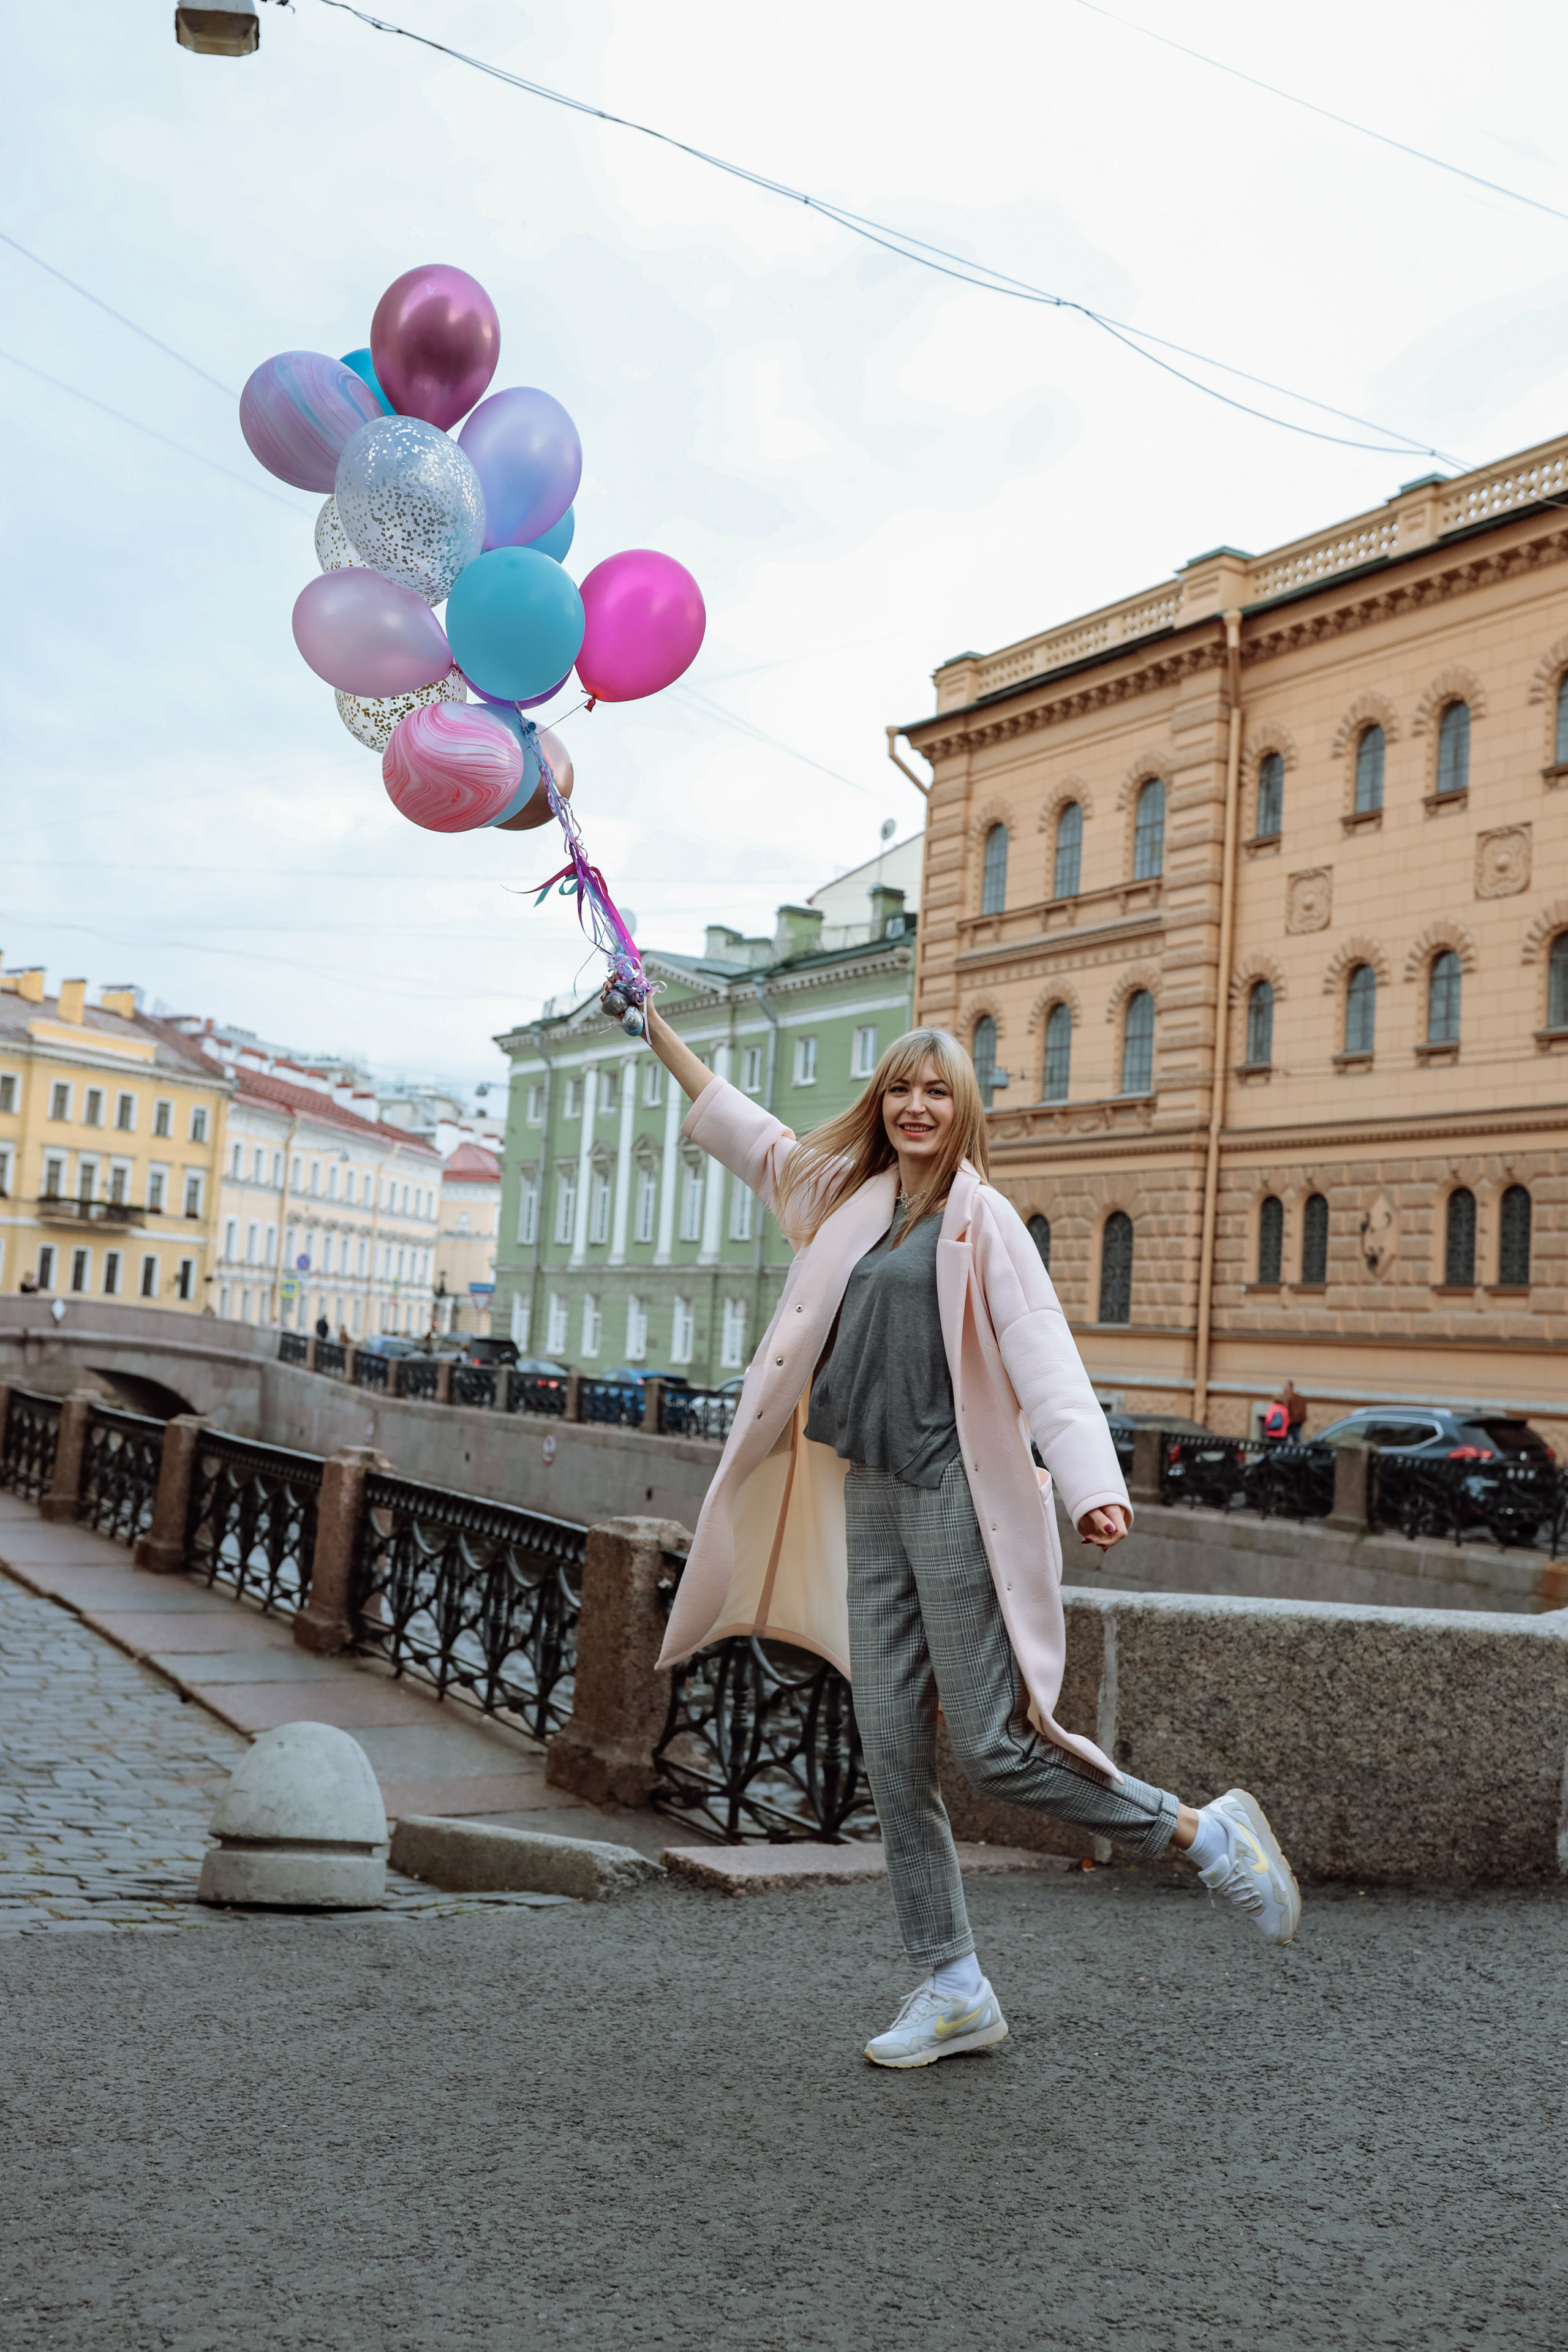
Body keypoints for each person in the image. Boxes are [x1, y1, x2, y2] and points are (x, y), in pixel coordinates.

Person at [638, 1004, 1301, 2070]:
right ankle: (952, 1985)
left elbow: (1044, 1353)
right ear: (880, 1104)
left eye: (936, 1092)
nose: (916, 1106)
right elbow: (749, 1131)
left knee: (993, 1746)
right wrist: (653, 1025)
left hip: (953, 1488)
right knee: (891, 1748)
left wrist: (1091, 1484)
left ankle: (1203, 1834)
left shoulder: (981, 1219)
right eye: (901, 1089)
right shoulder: (844, 1198)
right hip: (870, 1488)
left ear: (962, 1111)